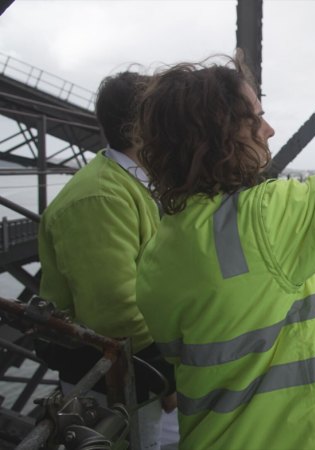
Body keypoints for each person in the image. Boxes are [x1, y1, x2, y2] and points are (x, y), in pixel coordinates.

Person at [133, 56, 315, 449]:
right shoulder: (267, 220)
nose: (269, 130)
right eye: (254, 119)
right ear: (216, 137)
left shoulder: (160, 248)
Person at [37, 71, 178, 449]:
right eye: (163, 115)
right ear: (138, 129)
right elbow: (115, 313)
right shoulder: (100, 199)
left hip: (135, 376)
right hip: (118, 385)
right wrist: (166, 377)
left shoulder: (130, 183)